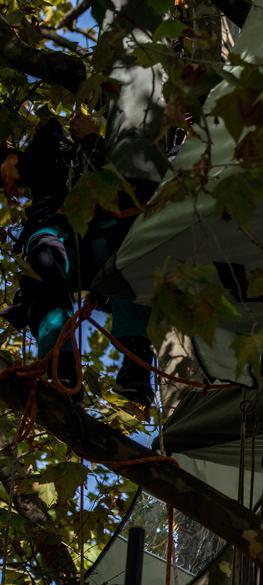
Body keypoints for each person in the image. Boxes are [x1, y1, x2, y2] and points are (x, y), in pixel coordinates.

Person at [1, 115, 157, 405]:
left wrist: (91, 140)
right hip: (57, 231)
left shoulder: (112, 152)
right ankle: (61, 366)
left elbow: (133, 183)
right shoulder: (44, 158)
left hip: (103, 240)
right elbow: (20, 166)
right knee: (43, 262)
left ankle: (136, 367)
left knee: (132, 258)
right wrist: (6, 157)